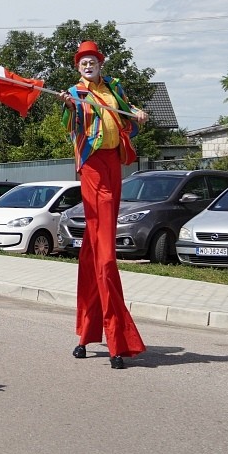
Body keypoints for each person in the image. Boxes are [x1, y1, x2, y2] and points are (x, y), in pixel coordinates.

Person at [58, 40, 148, 370]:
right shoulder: (75, 93)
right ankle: (116, 339)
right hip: (92, 166)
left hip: (114, 162)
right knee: (106, 258)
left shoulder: (113, 87)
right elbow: (72, 125)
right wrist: (70, 106)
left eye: (92, 60)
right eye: (83, 61)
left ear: (100, 64)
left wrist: (137, 113)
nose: (88, 65)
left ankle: (86, 333)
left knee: (93, 253)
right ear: (77, 66)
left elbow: (127, 116)